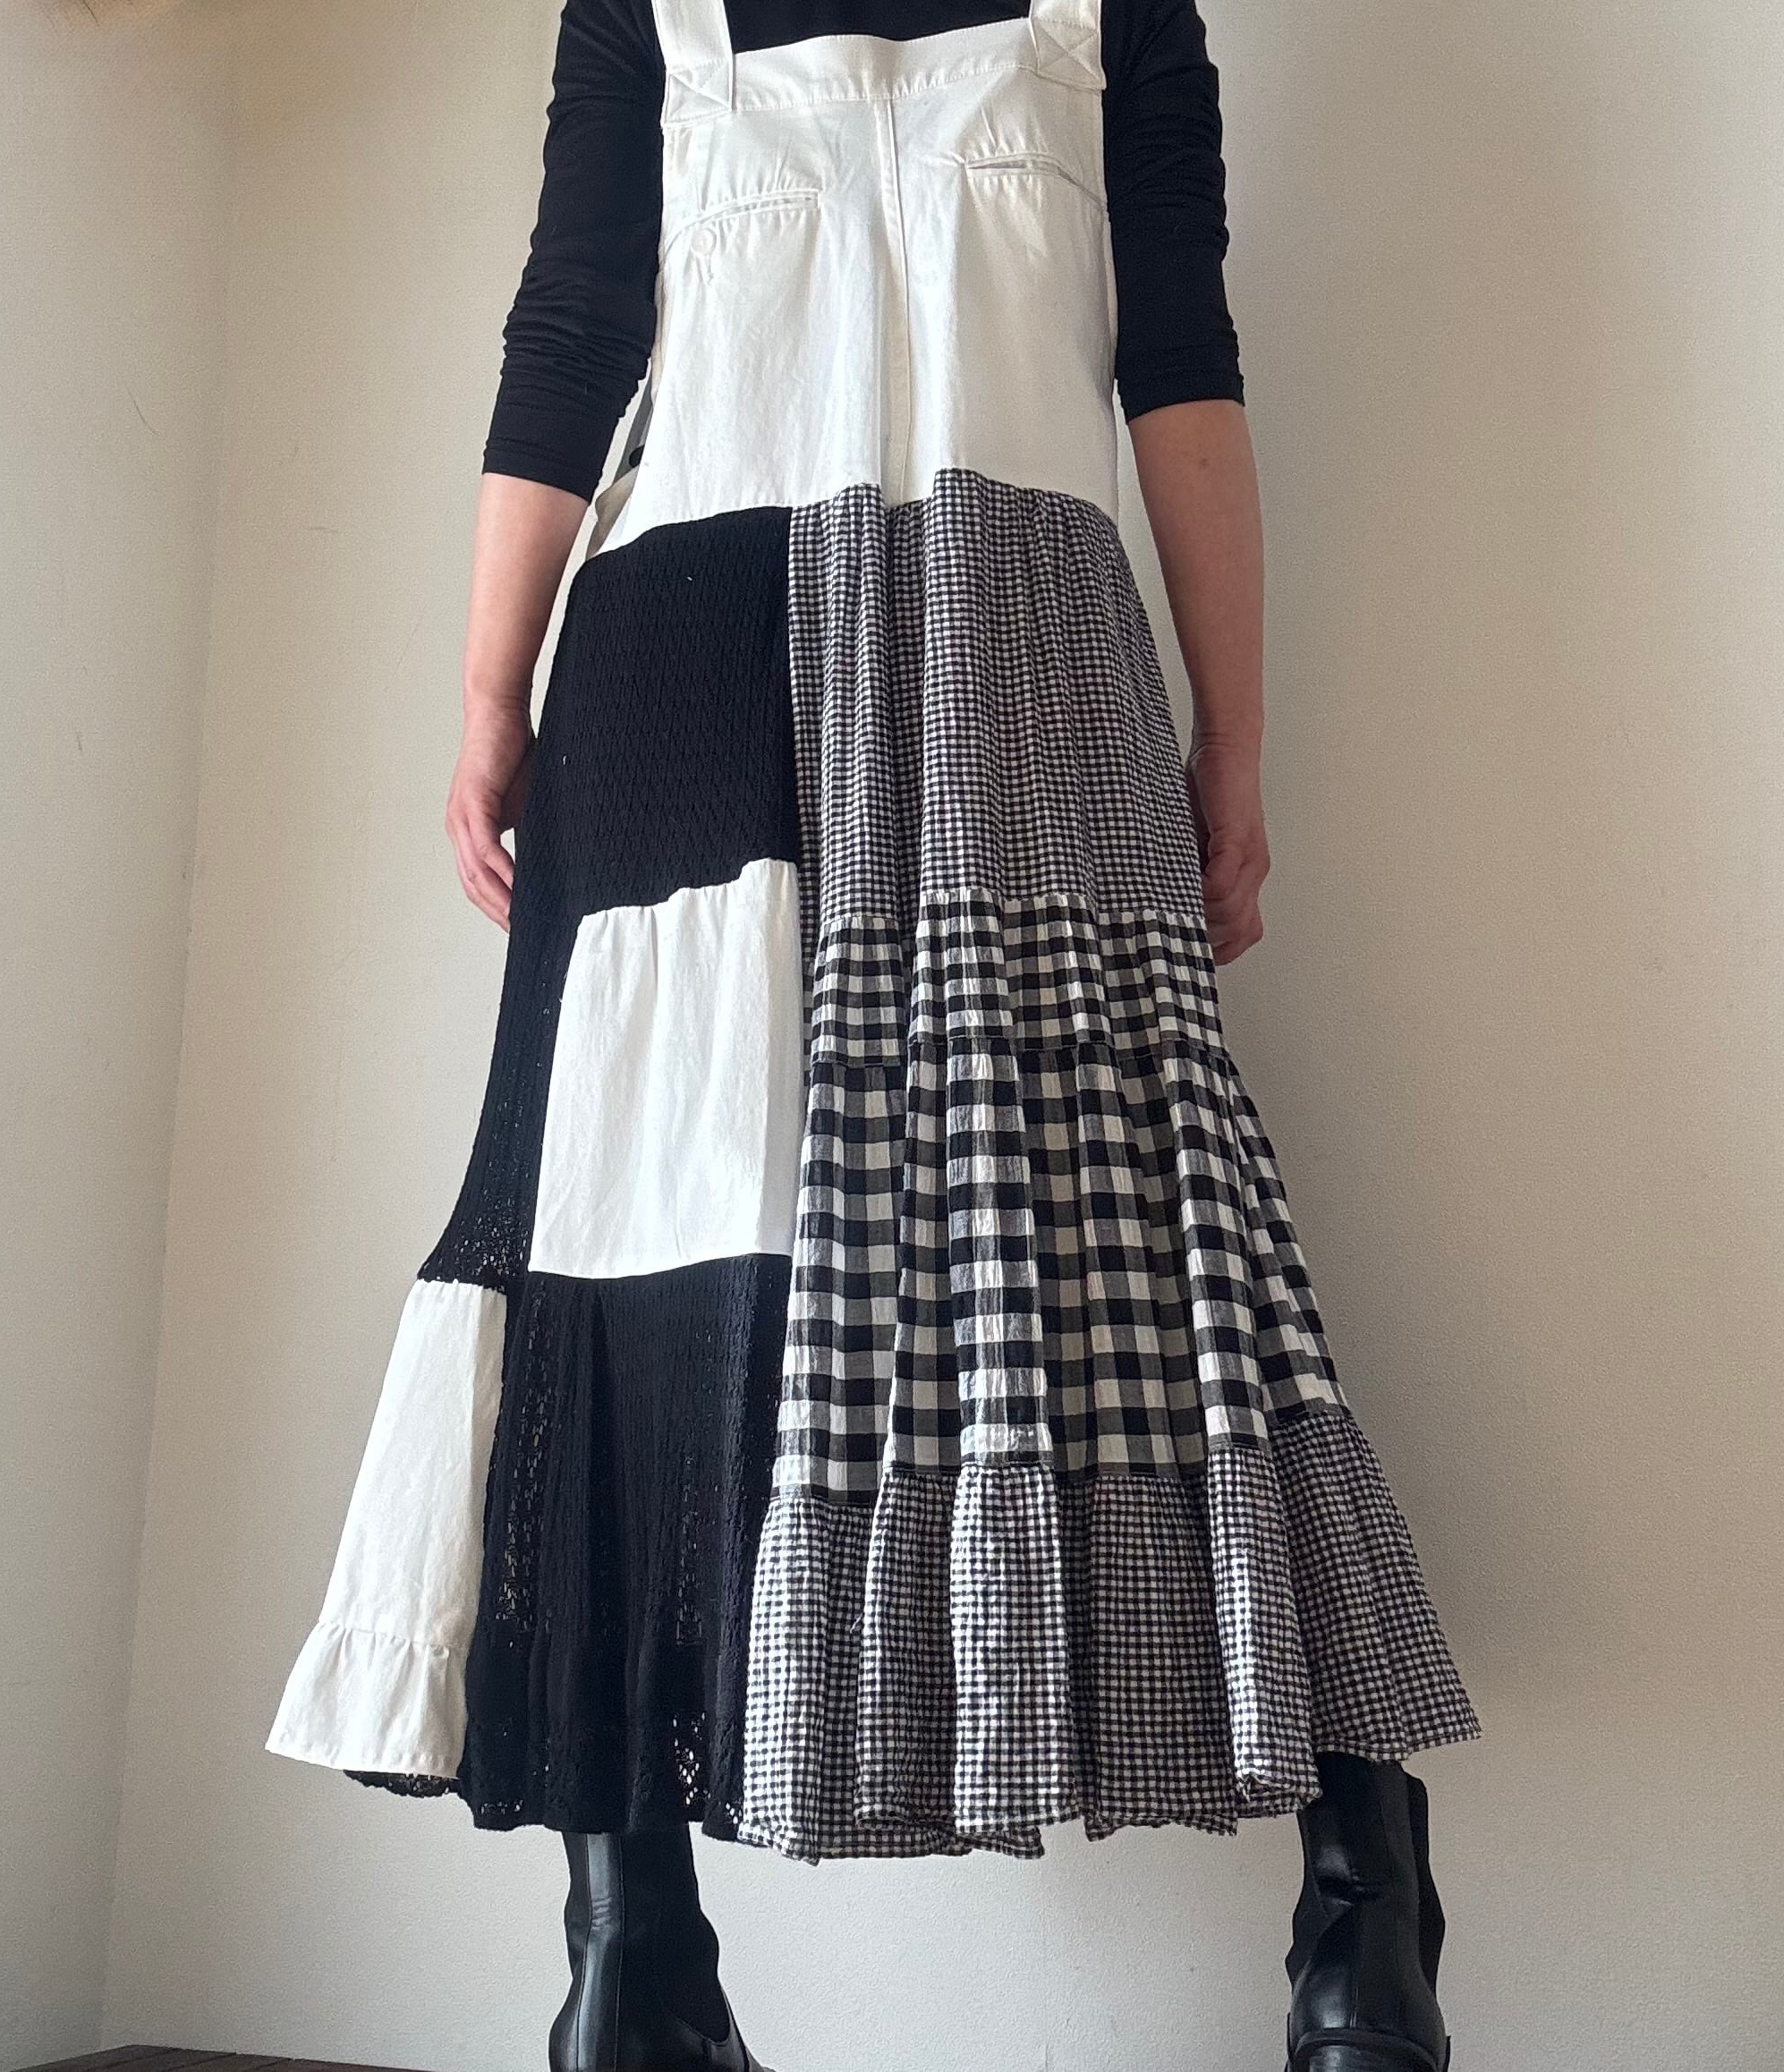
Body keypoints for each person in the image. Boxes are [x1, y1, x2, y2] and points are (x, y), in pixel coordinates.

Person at [268, 2, 1480, 2068]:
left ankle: (1354, 1886)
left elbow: (1174, 365)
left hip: (968, 647)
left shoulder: (1098, 15)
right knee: (675, 1246)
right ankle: (639, 1958)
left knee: (1117, 1236)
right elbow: (581, 329)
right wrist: (487, 694)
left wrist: (1238, 731)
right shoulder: (665, 10)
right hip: (731, 656)